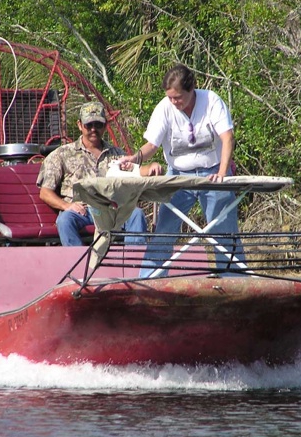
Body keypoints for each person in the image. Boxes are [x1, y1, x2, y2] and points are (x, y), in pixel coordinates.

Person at [119, 64, 244, 277]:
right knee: (165, 229)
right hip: (178, 175)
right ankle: (149, 280)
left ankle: (236, 280)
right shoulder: (164, 108)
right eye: (170, 98)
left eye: (178, 97)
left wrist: (222, 173)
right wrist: (134, 158)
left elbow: (227, 137)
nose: (174, 102)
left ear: (192, 89)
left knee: (224, 231)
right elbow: (152, 146)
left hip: (213, 172)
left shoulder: (211, 100)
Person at [37, 101, 162, 246]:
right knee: (65, 220)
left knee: (136, 214)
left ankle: (134, 263)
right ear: (79, 125)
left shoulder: (116, 154)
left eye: (98, 125)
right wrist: (66, 206)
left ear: (105, 126)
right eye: (88, 125)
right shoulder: (61, 154)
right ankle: (78, 263)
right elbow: (45, 192)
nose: (93, 129)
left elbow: (136, 171)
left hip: (112, 210)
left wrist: (152, 167)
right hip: (80, 211)